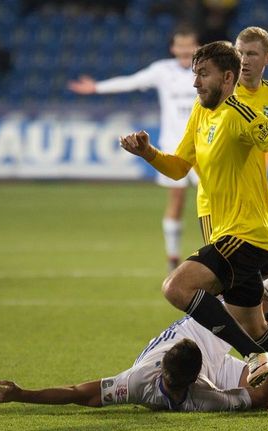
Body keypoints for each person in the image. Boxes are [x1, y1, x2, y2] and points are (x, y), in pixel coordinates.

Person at [119, 41, 268, 412]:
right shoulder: (201, 115)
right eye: (195, 75)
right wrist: (149, 153)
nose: (196, 83)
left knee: (177, 286)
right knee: (257, 327)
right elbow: (179, 168)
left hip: (246, 235)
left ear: (228, 77)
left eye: (204, 74)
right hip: (223, 234)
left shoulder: (241, 116)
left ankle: (254, 357)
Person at [0, 232, 268, 412]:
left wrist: (22, 394)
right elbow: (80, 393)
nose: (165, 387)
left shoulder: (154, 388)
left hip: (207, 322)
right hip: (212, 353)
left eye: (170, 384)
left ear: (183, 379)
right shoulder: (154, 382)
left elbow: (81, 392)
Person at [196, 27, 268, 325]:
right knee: (225, 282)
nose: (244, 60)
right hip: (220, 206)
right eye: (239, 53)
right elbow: (198, 152)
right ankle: (224, 348)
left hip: (259, 203)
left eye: (251, 54)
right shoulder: (219, 95)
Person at [68, 26, 200, 272]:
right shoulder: (163, 71)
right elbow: (131, 81)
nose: (184, 50)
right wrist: (97, 88)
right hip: (174, 147)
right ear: (173, 48)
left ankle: (217, 252)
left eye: (188, 45)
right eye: (179, 45)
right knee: (177, 200)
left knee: (213, 200)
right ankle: (173, 256)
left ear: (197, 46)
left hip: (205, 145)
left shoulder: (206, 69)